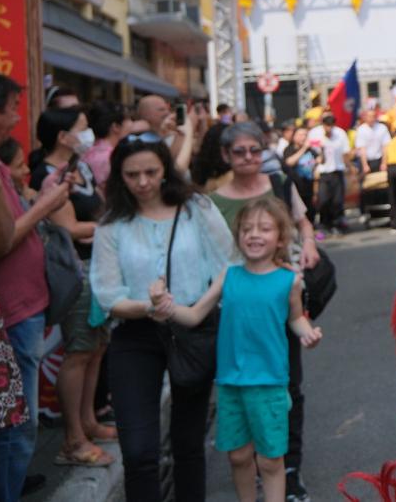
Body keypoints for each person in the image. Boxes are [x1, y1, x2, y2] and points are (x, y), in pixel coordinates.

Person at [90, 133, 234, 502]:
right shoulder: (111, 224)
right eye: (131, 174)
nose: (142, 182)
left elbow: (229, 262)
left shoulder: (195, 207)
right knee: (138, 452)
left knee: (188, 444)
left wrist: (194, 310)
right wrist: (148, 307)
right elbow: (107, 295)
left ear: (165, 171)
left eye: (151, 172)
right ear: (118, 176)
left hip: (193, 329)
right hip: (135, 336)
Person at [152, 197, 322, 502]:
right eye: (247, 229)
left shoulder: (289, 281)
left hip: (270, 382)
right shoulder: (228, 276)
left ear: (280, 238)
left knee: (270, 460)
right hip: (231, 383)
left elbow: (296, 319)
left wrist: (308, 334)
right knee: (239, 457)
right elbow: (193, 315)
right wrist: (165, 306)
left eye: (264, 229)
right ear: (238, 236)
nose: (254, 234)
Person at [206, 123, 319, 501]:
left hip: (281, 293)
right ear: (226, 155)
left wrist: (308, 245)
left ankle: (287, 470)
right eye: (240, 152)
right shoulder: (214, 200)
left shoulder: (280, 184)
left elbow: (303, 222)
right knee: (241, 395)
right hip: (236, 302)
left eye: (255, 150)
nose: (249, 158)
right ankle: (260, 472)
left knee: (287, 388)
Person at [0, 72, 72, 499]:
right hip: (6, 317)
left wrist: (18, 198)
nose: (18, 118)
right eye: (13, 108)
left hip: (6, 320)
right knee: (9, 429)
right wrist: (46, 208)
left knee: (12, 424)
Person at [28, 108, 116, 467]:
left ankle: (88, 422)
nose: (88, 134)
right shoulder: (48, 175)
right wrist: (115, 228)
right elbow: (69, 229)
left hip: (97, 266)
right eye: (82, 128)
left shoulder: (80, 169)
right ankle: (72, 439)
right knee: (78, 351)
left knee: (96, 346)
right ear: (62, 136)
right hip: (73, 270)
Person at [306, 114, 350, 234]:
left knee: (337, 200)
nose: (329, 129)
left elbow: (345, 152)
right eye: (327, 125)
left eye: (331, 125)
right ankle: (325, 222)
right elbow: (310, 150)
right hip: (322, 172)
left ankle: (336, 222)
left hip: (337, 170)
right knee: (323, 199)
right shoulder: (315, 134)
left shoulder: (340, 134)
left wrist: (349, 166)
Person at [136, 95, 194, 178]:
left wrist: (179, 134)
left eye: (167, 109)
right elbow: (177, 169)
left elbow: (170, 158)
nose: (167, 113)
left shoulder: (170, 133)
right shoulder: (139, 137)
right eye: (161, 110)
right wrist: (188, 131)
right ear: (146, 114)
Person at [83, 101, 130, 187]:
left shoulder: (86, 152)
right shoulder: (111, 157)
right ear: (116, 127)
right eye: (128, 119)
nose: (131, 123)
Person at [282, 127, 317, 217]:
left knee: (310, 213)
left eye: (305, 135)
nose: (303, 137)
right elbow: (289, 162)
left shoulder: (310, 150)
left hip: (308, 187)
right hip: (295, 187)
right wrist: (303, 149)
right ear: (294, 137)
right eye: (301, 135)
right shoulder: (289, 149)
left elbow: (319, 160)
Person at [354, 110, 391, 177]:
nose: (371, 118)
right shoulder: (361, 130)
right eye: (369, 116)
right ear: (365, 117)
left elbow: (385, 146)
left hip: (379, 160)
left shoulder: (382, 128)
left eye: (373, 116)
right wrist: (365, 165)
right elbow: (362, 149)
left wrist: (384, 163)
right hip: (366, 161)